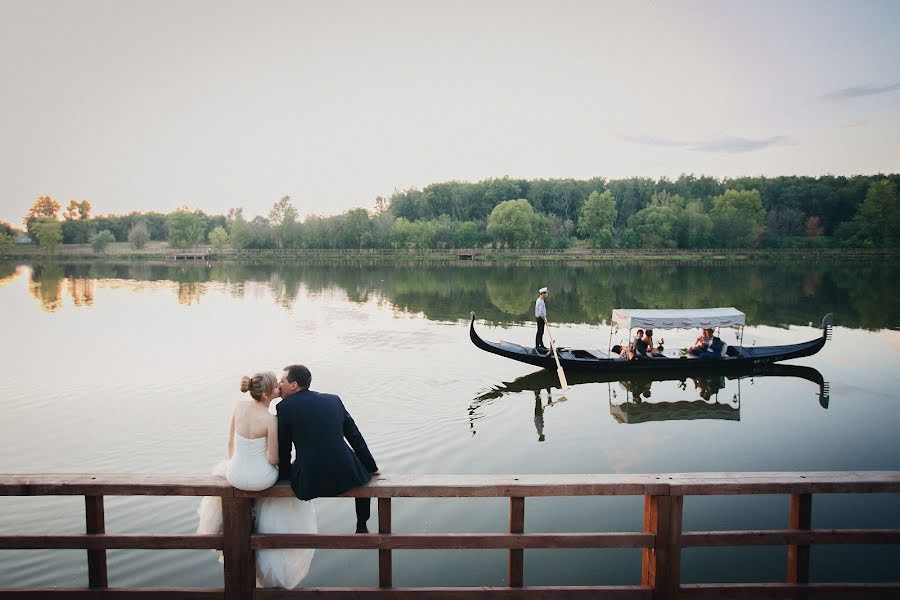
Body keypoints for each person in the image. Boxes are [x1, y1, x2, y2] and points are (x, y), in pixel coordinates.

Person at [197, 372, 316, 589]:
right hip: (262, 480)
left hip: (235, 476)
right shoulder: (271, 419)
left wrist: (235, 463)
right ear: (269, 393)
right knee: (271, 477)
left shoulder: (239, 407)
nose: (280, 389)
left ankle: (244, 519)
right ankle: (258, 525)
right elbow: (273, 458)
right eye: (277, 387)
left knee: (227, 468)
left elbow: (231, 442)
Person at [277, 364, 379, 534]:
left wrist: (284, 475)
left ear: (293, 385)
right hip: (346, 472)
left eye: (282, 381)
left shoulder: (284, 408)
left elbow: (284, 448)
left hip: (311, 479)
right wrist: (371, 466)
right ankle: (362, 524)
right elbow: (354, 436)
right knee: (363, 476)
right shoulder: (334, 399)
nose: (279, 384)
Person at [535, 287, 549, 351]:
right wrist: (544, 319)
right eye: (546, 293)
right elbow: (540, 313)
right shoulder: (540, 301)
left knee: (541, 332)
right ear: (542, 294)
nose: (547, 295)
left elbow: (543, 312)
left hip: (541, 318)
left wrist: (545, 318)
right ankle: (538, 346)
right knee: (539, 332)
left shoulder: (541, 300)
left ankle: (541, 345)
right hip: (540, 318)